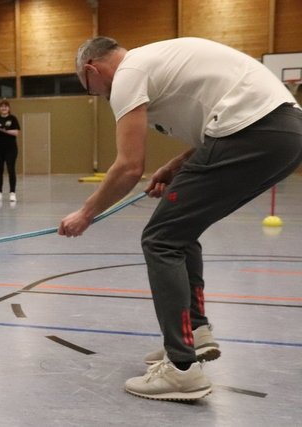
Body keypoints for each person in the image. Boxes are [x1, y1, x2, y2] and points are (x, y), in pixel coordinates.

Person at [59, 36, 302, 401]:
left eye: (89, 87)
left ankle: (181, 368)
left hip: (251, 131)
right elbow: (221, 126)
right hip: (286, 135)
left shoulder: (128, 73)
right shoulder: (156, 61)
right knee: (180, 231)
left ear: (91, 69)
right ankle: (195, 333)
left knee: (161, 239)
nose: (96, 94)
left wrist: (86, 213)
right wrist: (176, 165)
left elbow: (129, 167)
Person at [0, 100, 20, 202]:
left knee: (11, 170)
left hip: (10, 149)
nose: (4, 108)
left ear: (9, 108)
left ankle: (12, 193)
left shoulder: (13, 118)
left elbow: (16, 132)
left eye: (6, 106)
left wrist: (4, 130)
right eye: (2, 106)